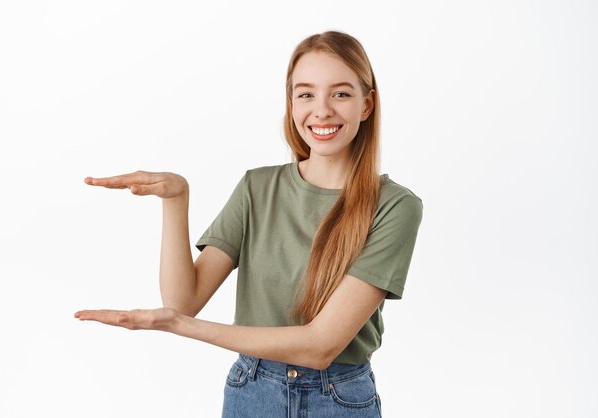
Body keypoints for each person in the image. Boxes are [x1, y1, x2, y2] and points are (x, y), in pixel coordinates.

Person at [75, 30, 423, 418]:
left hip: (338, 399)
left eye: (340, 93)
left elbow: (320, 346)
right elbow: (183, 302)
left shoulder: (395, 206)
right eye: (306, 94)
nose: (321, 109)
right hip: (252, 392)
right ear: (291, 103)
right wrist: (176, 200)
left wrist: (181, 327)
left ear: (366, 105)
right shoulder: (256, 188)